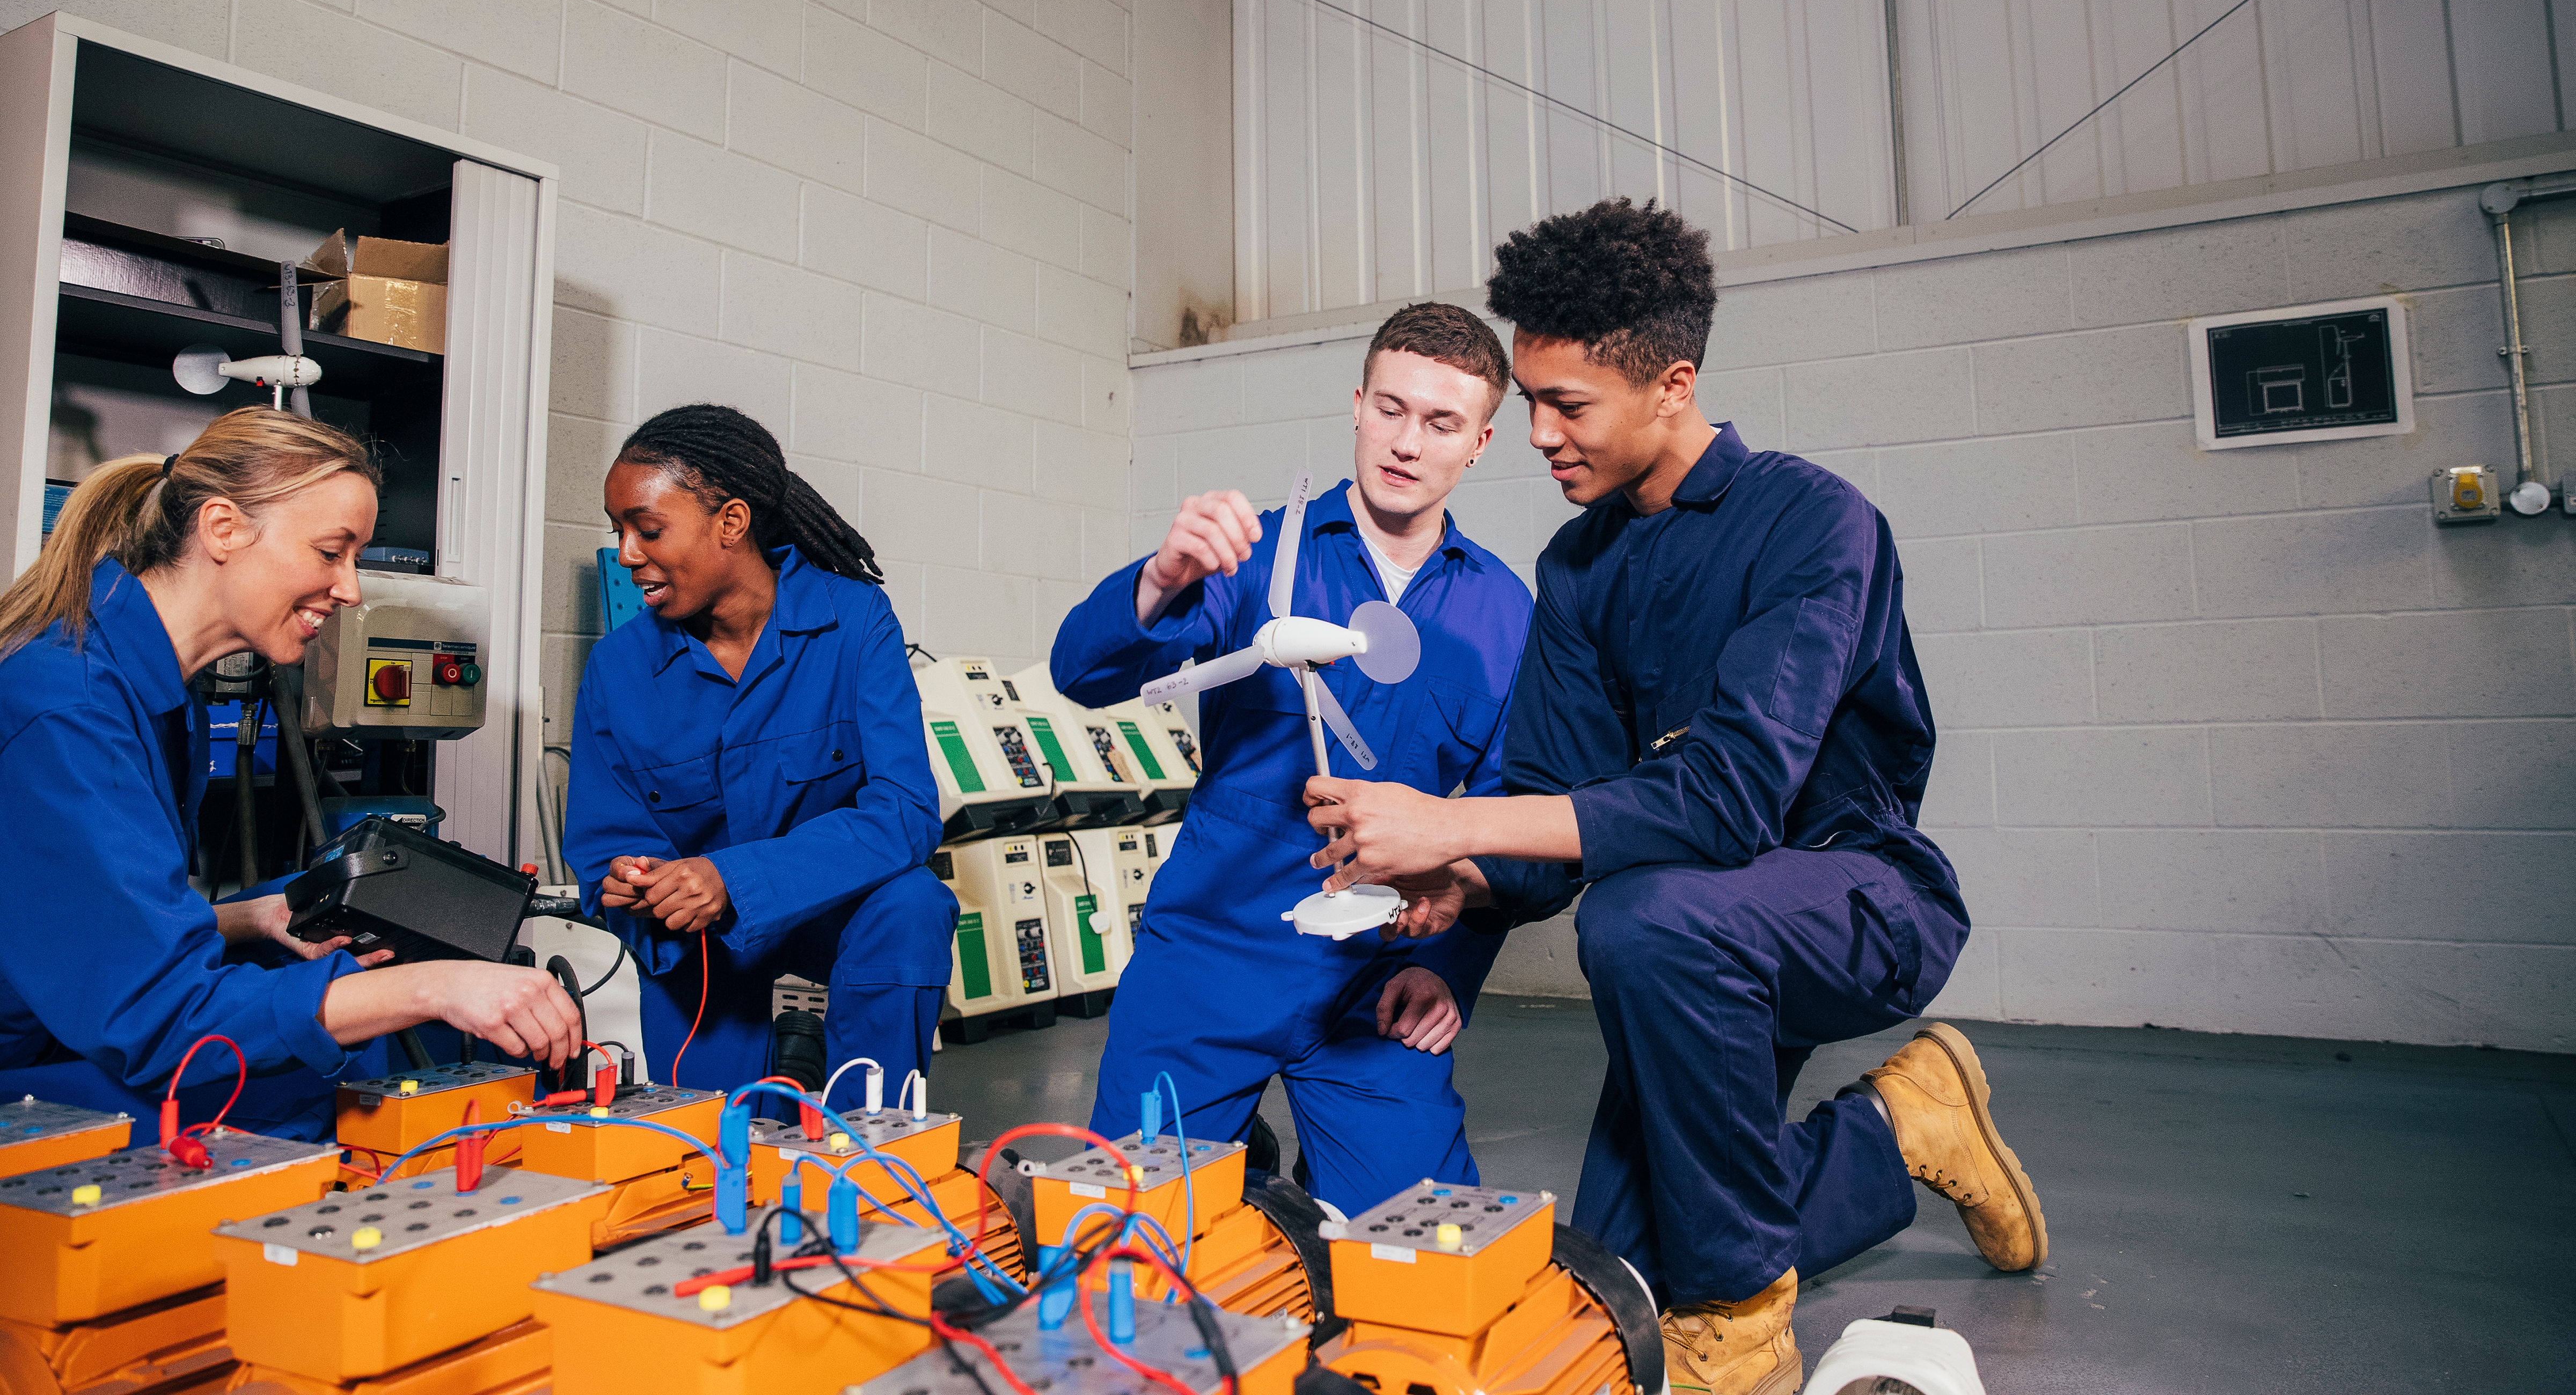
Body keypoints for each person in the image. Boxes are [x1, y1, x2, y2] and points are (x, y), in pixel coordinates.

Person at [1304, 201, 2046, 1395]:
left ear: (1671, 383)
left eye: (1567, 403)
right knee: (1614, 1277)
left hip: (1857, 901)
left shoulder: (1813, 522)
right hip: (1686, 942)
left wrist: (1454, 818)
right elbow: (1553, 815)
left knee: (1643, 920)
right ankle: (1905, 1126)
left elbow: (1727, 797)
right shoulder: (1581, 566)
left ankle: (1743, 1328)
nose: (1538, 432)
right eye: (1530, 399)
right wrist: (1459, 879)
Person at [1050, 303, 1532, 1214]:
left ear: (1479, 444)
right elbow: (1082, 673)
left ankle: (1271, 1175)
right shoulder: (1250, 556)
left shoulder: (1505, 615)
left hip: (1379, 982)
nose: (1406, 443)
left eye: (1442, 423)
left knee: (1421, 1254)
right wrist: (1159, 579)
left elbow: (1511, 806)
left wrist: (1452, 967)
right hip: (1210, 954)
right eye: (1390, 409)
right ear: (1356, 405)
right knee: (1121, 1244)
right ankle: (1236, 1163)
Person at [0, 409, 583, 1139]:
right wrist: (439, 987)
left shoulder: (152, 693)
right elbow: (162, 1020)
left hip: (63, 1033)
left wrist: (252, 916)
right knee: (321, 1104)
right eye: (332, 552)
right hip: (27, 1076)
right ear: (222, 529)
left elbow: (78, 924)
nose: (351, 592)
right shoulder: (67, 707)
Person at [566, 406, 954, 1107]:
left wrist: (736, 878)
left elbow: (904, 811)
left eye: (648, 529)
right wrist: (627, 881)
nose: (626, 553)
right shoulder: (617, 670)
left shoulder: (855, 621)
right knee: (708, 1160)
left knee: (914, 901)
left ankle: (875, 1134)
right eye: (617, 529)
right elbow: (606, 843)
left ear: (732, 522)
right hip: (698, 948)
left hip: (837, 909)